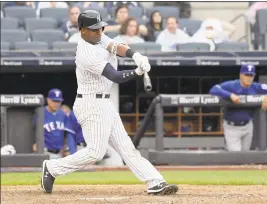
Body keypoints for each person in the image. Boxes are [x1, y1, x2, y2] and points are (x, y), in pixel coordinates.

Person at [41, 10, 178, 195]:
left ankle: (155, 182)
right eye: (95, 29)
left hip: (104, 103)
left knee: (126, 147)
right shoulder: (85, 52)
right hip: (90, 104)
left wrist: (135, 55)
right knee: (96, 152)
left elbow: (115, 46)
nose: (100, 32)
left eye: (101, 28)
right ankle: (52, 168)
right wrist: (137, 72)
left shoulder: (97, 37)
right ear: (82, 31)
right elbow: (115, 76)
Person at [209, 64, 267, 151]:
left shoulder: (256, 86)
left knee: (245, 156)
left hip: (248, 126)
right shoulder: (232, 85)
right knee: (237, 157)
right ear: (241, 75)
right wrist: (230, 95)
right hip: (232, 127)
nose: (249, 78)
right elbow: (214, 89)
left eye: (251, 75)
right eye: (246, 75)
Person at [34, 89, 75, 159]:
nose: (56, 104)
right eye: (54, 101)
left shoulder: (63, 114)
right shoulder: (40, 113)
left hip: (60, 154)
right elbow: (34, 130)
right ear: (48, 100)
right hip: (45, 152)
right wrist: (35, 142)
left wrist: (68, 149)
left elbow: (68, 134)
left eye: (58, 101)